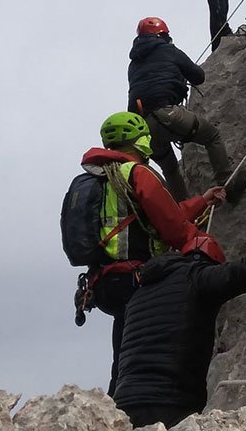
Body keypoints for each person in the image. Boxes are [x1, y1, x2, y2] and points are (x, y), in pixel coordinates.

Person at [80, 111, 226, 395]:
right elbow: (173, 227)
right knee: (154, 349)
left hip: (104, 282)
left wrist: (201, 201)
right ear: (140, 140)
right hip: (138, 277)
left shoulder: (100, 177)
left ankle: (115, 404)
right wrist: (208, 255)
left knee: (123, 351)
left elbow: (154, 216)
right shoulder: (137, 173)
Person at [113, 235, 246, 429]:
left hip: (125, 404)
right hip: (170, 403)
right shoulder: (195, 276)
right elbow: (240, 271)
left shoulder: (136, 298)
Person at [127, 16, 246, 203]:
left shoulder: (133, 65)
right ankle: (227, 182)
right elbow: (198, 76)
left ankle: (184, 212)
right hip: (168, 113)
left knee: (169, 168)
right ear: (162, 35)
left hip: (142, 127)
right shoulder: (168, 50)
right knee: (211, 136)